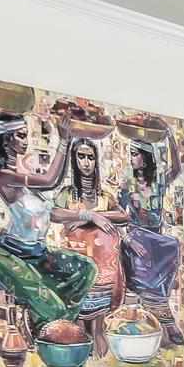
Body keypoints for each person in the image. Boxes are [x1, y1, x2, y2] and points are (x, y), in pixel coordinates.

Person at [0, 113, 95, 332]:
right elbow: (51, 180)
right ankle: (4, 313)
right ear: (7, 141)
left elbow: (52, 197)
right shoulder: (5, 177)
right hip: (10, 256)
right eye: (21, 136)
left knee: (86, 269)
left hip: (37, 254)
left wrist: (87, 216)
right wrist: (63, 140)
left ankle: (56, 327)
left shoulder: (23, 175)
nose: (26, 141)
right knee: (54, 309)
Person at [52, 134, 128, 352]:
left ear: (96, 160)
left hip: (104, 270)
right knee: (78, 323)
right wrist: (86, 216)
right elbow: (54, 213)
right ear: (74, 161)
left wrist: (96, 215)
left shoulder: (104, 195)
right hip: (77, 264)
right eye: (81, 157)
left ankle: (99, 339)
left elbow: (123, 216)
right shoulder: (67, 194)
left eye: (90, 157)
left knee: (98, 330)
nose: (86, 162)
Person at [118, 139, 181, 313]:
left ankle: (160, 311)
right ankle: (160, 316)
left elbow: (176, 169)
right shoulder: (126, 185)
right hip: (136, 239)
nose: (131, 159)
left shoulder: (158, 182)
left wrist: (169, 135)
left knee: (173, 245)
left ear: (145, 157)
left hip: (156, 240)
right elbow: (120, 217)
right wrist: (128, 239)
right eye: (130, 154)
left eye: (134, 154)